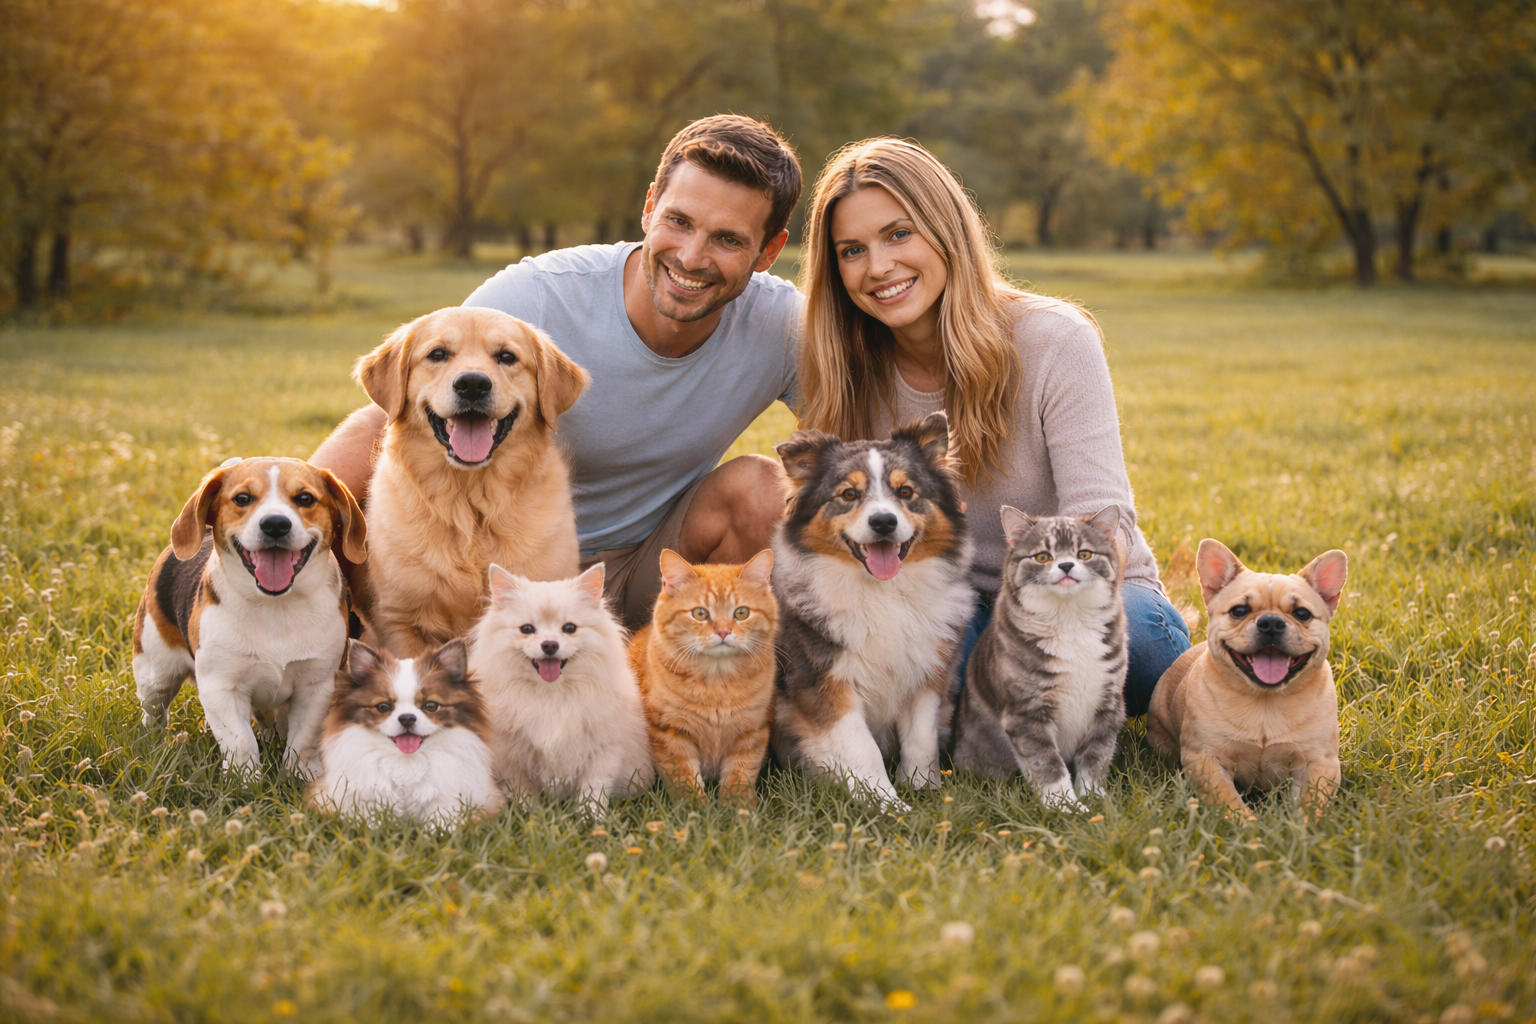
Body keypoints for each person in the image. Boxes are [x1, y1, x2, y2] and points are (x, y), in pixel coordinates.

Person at [312, 115, 804, 629]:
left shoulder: (784, 325)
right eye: (678, 221)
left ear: (769, 251)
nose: (691, 256)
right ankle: (312, 619)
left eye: (727, 240)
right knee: (375, 431)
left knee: (761, 490)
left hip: (651, 570)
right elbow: (395, 412)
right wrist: (262, 527)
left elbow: (871, 440)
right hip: (496, 569)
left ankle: (705, 672)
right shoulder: (535, 297)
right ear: (650, 205)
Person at [793, 137, 1190, 716]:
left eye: (899, 234)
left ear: (946, 230)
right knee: (939, 671)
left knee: (1146, 647)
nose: (878, 267)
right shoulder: (841, 363)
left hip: (1066, 592)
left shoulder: (1055, 340)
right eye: (852, 250)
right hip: (934, 605)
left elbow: (1106, 522)